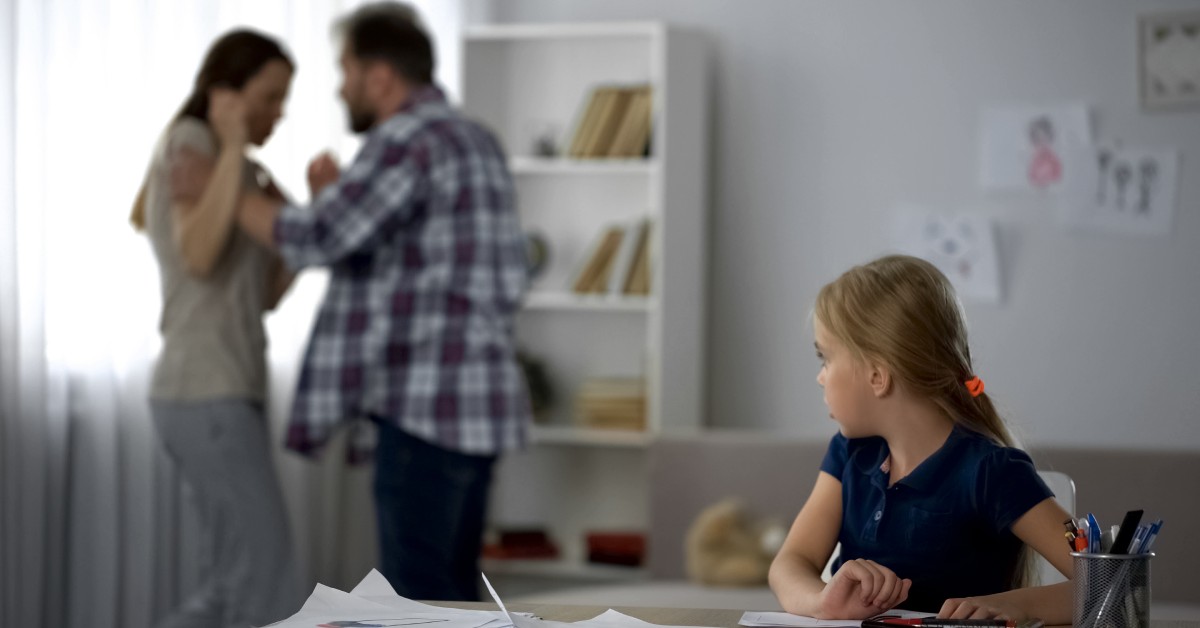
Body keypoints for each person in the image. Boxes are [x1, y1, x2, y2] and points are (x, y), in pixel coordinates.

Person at [236, 2, 532, 601]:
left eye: (344, 70)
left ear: (379, 75)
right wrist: (334, 199)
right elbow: (409, 258)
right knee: (456, 601)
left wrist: (237, 194)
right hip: (480, 408)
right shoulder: (475, 138)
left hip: (424, 410)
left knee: (416, 605)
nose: (341, 86)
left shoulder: (406, 139)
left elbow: (319, 238)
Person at [768, 255, 1073, 624]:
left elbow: (1111, 587)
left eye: (825, 359)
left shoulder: (992, 471)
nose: (821, 377)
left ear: (878, 376)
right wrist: (822, 602)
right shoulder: (848, 453)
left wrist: (1016, 607)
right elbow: (789, 563)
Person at [131, 28, 301, 627]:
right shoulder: (192, 143)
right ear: (226, 92)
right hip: (204, 391)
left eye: (285, 100)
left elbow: (263, 298)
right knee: (267, 572)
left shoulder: (242, 169)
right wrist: (231, 149)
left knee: (235, 581)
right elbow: (199, 258)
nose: (279, 113)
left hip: (226, 390)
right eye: (270, 97)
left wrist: (302, 231)